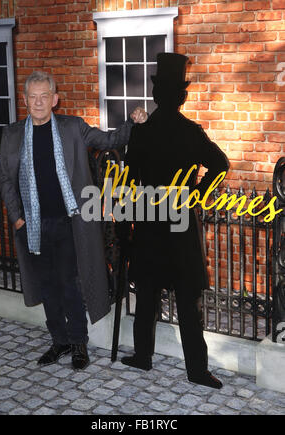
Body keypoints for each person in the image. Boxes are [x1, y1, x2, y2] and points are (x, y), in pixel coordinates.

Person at [0, 70, 147, 370]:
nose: (39, 102)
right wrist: (17, 220)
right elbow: (5, 180)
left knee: (69, 283)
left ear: (55, 99)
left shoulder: (73, 128)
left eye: (44, 97)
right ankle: (60, 341)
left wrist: (133, 123)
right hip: (33, 226)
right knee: (47, 286)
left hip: (68, 222)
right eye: (33, 97)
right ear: (25, 100)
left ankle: (79, 343)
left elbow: (109, 140)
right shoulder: (12, 134)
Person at [120, 53, 229, 389]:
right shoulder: (191, 133)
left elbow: (127, 186)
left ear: (156, 95)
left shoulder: (141, 133)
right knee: (187, 302)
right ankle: (196, 370)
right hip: (179, 225)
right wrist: (197, 193)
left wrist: (125, 231)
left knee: (148, 296)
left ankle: (143, 356)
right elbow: (221, 164)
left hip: (150, 225)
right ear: (181, 96)